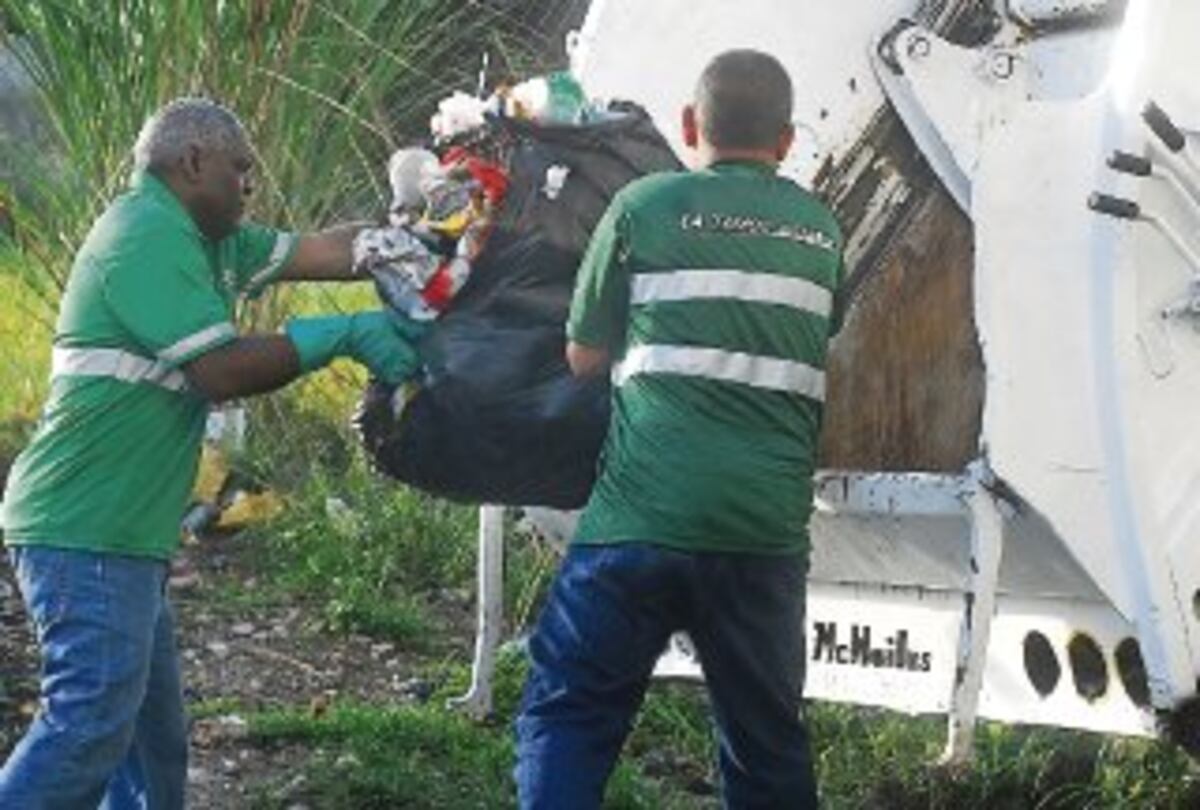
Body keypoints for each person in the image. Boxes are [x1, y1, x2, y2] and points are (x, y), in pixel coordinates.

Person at [0, 97, 421, 809]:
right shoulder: (143, 235)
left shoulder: (208, 241)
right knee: (86, 728)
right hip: (85, 529)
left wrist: (414, 241)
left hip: (124, 534)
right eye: (240, 169)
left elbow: (322, 250)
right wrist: (339, 336)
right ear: (192, 162)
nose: (250, 184)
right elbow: (218, 371)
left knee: (153, 748)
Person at [514, 50, 843, 809]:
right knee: (766, 743)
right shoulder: (822, 231)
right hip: (762, 536)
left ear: (691, 125)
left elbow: (583, 357)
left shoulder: (643, 206)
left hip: (639, 522)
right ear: (787, 141)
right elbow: (816, 330)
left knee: (569, 713)